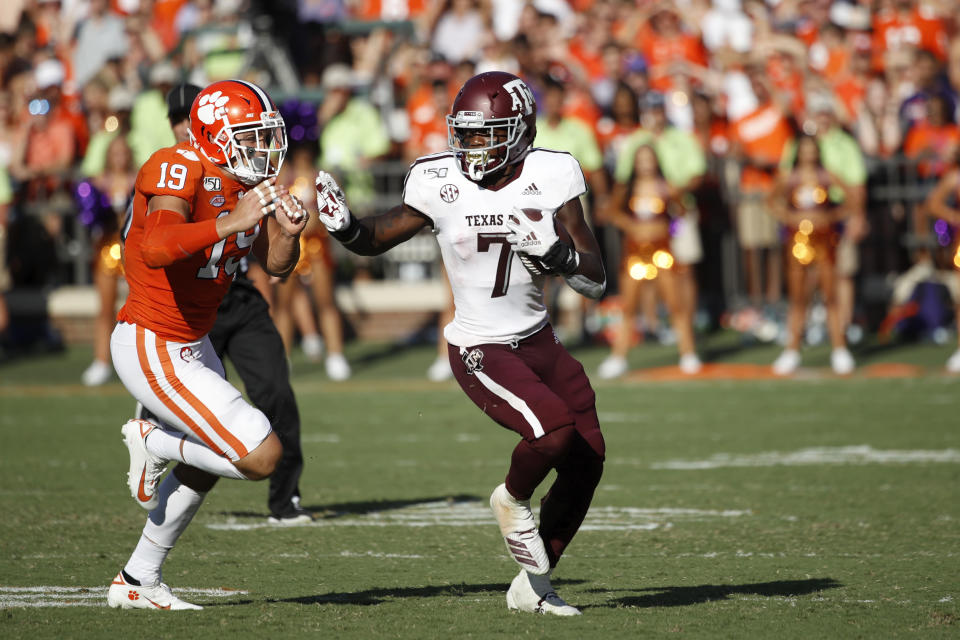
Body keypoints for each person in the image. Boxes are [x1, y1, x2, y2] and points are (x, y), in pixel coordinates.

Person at [316, 71, 607, 616]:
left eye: (485, 133)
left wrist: (559, 255)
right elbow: (381, 235)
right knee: (552, 431)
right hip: (481, 345)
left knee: (588, 457)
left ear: (519, 130)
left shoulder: (554, 171)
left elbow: (595, 280)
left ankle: (533, 587)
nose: (471, 146)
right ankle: (511, 498)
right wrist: (347, 229)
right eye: (466, 133)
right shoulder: (436, 179)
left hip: (539, 340)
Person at [107, 79, 307, 610]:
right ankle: (154, 442)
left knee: (211, 463)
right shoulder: (178, 164)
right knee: (262, 455)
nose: (263, 150)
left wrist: (287, 233)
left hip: (192, 343)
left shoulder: (245, 178)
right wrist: (229, 221)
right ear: (216, 136)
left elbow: (277, 267)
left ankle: (137, 578)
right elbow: (155, 247)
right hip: (153, 340)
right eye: (250, 136)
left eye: (266, 136)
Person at [598, 144, 700, 378]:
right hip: (634, 252)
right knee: (629, 307)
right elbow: (612, 212)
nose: (645, 164)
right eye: (641, 160)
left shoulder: (667, 186)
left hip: (662, 251)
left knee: (675, 303)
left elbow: (682, 212)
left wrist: (672, 213)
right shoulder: (627, 188)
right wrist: (631, 226)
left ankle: (688, 353)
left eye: (649, 159)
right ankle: (618, 357)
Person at [768, 135, 855, 375]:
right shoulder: (789, 177)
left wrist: (832, 217)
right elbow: (771, 202)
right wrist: (789, 217)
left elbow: (851, 200)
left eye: (812, 150)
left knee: (830, 295)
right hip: (798, 242)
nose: (809, 154)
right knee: (798, 297)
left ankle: (839, 348)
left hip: (825, 241)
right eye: (804, 150)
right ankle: (792, 350)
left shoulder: (827, 176)